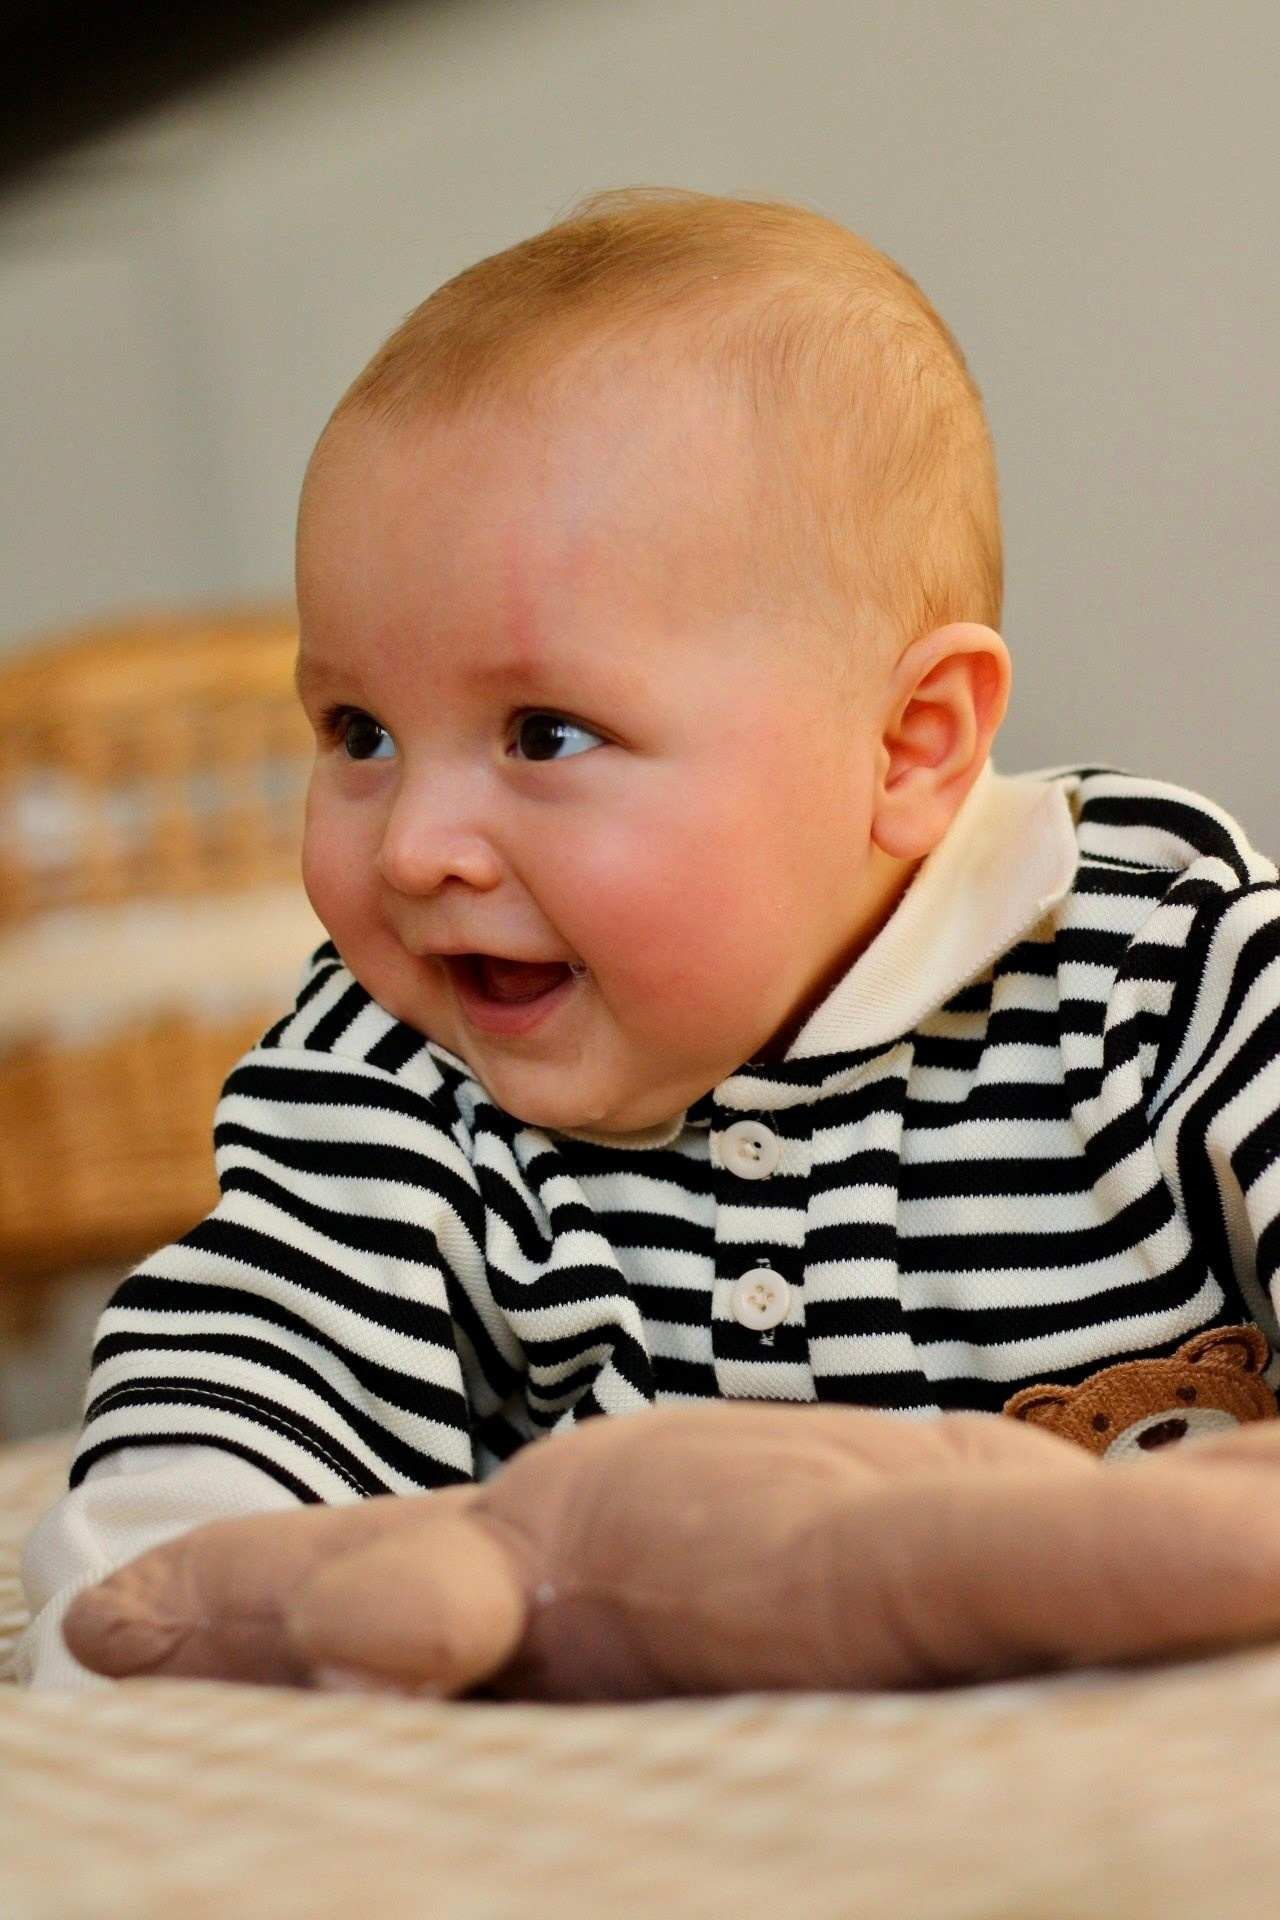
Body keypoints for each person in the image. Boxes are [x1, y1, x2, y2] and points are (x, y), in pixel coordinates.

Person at [19, 188, 1280, 1689]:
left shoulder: (1160, 964)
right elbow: (245, 1383)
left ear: (907, 747)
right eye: (358, 731)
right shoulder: (398, 1064)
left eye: (545, 733)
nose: (414, 847)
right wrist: (170, 1611)